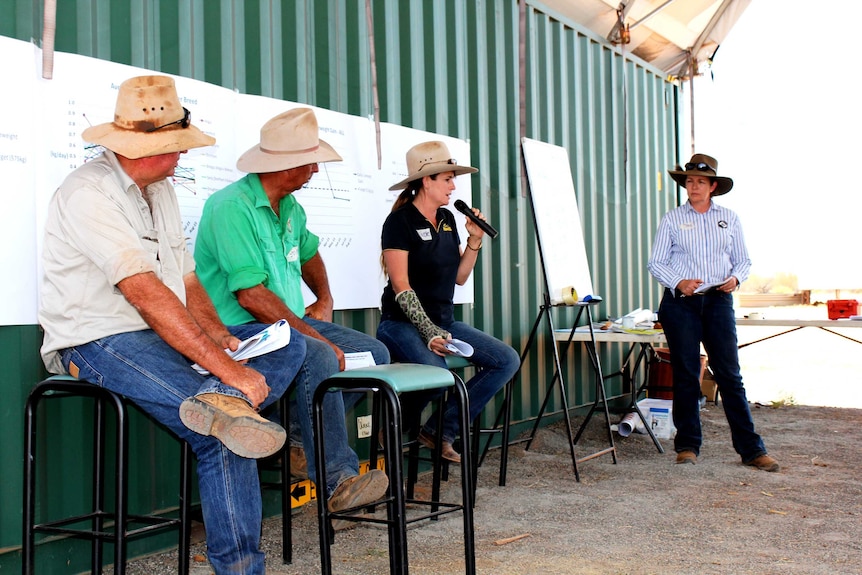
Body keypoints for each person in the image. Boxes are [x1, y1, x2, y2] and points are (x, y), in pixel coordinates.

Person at [194, 107, 389, 514]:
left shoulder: (291, 208)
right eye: (312, 161)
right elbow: (250, 296)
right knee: (319, 353)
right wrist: (313, 335)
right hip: (241, 329)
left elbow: (311, 254)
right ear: (286, 165)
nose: (316, 170)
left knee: (375, 356)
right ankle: (338, 478)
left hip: (287, 325)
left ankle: (299, 441)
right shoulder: (231, 206)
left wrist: (325, 299)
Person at [376, 140, 520, 463]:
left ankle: (441, 430)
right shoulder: (399, 223)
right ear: (426, 181)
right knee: (438, 375)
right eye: (447, 179)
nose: (454, 186)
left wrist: (474, 240)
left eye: (453, 179)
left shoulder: (446, 219)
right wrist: (429, 332)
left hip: (445, 322)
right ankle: (399, 424)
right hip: (400, 324)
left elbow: (459, 276)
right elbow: (401, 287)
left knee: (507, 360)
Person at [647, 153, 779, 472]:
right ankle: (688, 445)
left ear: (713, 186)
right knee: (686, 374)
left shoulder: (730, 218)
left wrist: (736, 279)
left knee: (729, 375)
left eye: (700, 182)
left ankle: (751, 449)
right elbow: (656, 262)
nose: (693, 186)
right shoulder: (672, 219)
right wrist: (680, 282)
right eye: (689, 181)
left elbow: (743, 261)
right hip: (681, 304)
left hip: (719, 301)